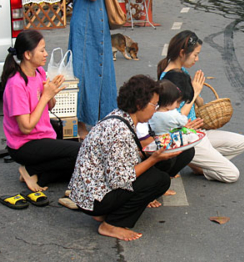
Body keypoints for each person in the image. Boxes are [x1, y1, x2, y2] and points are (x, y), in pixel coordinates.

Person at [69, 75, 194, 241]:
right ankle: (112, 224)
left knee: (162, 167)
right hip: (93, 197)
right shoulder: (119, 130)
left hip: (95, 190)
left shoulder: (122, 117)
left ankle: (105, 213)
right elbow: (119, 179)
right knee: (159, 179)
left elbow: (125, 160)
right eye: (154, 105)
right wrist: (153, 159)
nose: (155, 109)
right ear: (139, 104)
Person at [157, 31, 244, 183]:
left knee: (242, 142)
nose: (197, 59)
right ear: (182, 53)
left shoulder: (182, 71)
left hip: (198, 133)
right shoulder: (170, 79)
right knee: (232, 175)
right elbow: (175, 118)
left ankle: (198, 162)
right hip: (186, 138)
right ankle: (198, 163)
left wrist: (197, 96)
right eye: (195, 54)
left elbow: (196, 101)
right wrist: (194, 94)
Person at [2, 30, 81, 195]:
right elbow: (26, 128)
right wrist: (45, 97)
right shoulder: (16, 84)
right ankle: (30, 169)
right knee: (79, 153)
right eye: (42, 50)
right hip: (25, 144)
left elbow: (49, 107)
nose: (46, 54)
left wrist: (51, 93)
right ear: (28, 55)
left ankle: (37, 173)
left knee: (79, 162)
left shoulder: (38, 72)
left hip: (43, 134)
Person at [68, 0, 124, 138]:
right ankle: (81, 127)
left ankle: (103, 124)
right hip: (84, 30)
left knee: (104, 76)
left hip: (101, 31)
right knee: (83, 76)